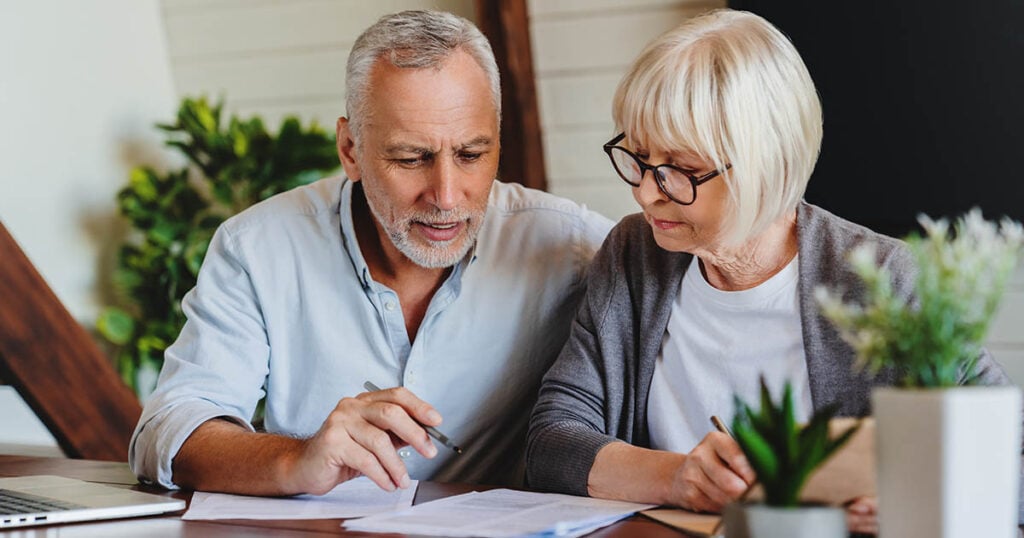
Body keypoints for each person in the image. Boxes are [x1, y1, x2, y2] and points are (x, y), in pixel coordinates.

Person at [525, 9, 1020, 535]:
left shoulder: (880, 279)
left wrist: (914, 500)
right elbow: (552, 441)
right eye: (639, 158)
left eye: (682, 170)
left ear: (766, 164)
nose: (647, 192)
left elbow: (1006, 452)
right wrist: (677, 477)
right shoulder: (633, 254)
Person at [129, 10, 612, 496]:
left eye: (471, 155)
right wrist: (296, 460)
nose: (446, 196)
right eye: (410, 158)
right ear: (350, 150)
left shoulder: (570, 246)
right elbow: (168, 429)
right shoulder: (257, 248)